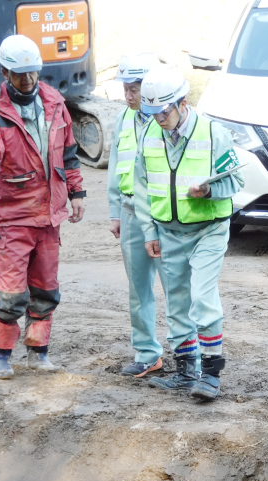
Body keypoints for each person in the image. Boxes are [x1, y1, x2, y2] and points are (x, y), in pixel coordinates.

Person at [0, 34, 86, 379]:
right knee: (11, 292)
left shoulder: (54, 103)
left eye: (33, 73)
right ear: (5, 73)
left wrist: (77, 193)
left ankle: (39, 351)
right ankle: (1, 356)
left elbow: (68, 154)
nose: (28, 80)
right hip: (14, 218)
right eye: (20, 75)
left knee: (46, 288)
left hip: (49, 217)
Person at [133, 64, 244, 401]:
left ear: (183, 103)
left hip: (209, 229)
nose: (158, 119)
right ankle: (185, 372)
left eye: (163, 112)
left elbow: (237, 180)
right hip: (168, 230)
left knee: (202, 294)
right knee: (178, 302)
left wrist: (209, 190)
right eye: (151, 113)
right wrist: (149, 230)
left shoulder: (214, 133)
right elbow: (141, 187)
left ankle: (210, 375)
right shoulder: (149, 134)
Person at [106, 52, 165, 379]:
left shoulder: (166, 118)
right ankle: (147, 354)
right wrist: (115, 211)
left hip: (163, 215)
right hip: (130, 213)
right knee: (138, 289)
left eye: (136, 88)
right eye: (126, 88)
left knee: (176, 288)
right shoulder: (123, 119)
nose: (129, 95)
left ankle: (189, 355)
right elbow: (116, 167)